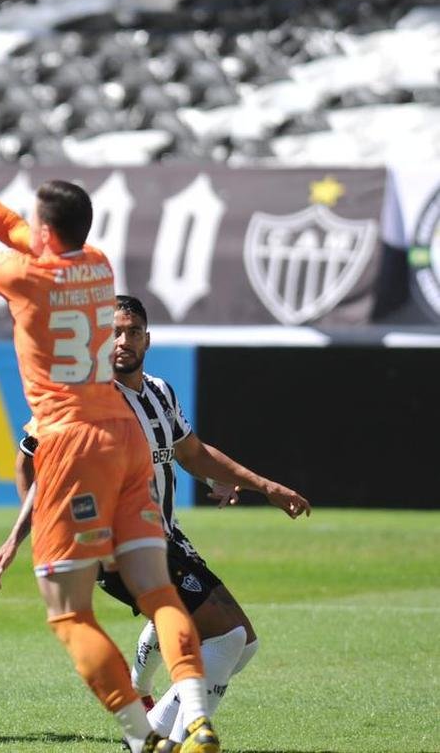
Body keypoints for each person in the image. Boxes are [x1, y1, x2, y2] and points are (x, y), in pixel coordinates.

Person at [0, 126, 217, 753]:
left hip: (68, 441)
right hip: (124, 433)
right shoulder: (98, 265)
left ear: (43, 234)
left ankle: (143, 737)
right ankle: (197, 718)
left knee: (70, 613)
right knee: (158, 590)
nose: (23, 227)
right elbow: (10, 223)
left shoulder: (23, 277)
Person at [102, 295, 310, 742]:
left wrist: (264, 486)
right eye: (114, 331)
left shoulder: (158, 393)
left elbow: (192, 453)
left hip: (165, 536)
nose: (123, 340)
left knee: (243, 643)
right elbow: (32, 452)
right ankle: (174, 741)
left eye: (132, 331)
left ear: (147, 339)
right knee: (227, 638)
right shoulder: (91, 399)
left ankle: (147, 735)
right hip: (122, 546)